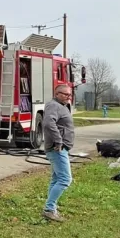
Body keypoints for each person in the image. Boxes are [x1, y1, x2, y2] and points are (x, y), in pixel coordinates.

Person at [42, 83, 75, 221]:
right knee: (65, 179)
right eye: (65, 94)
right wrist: (59, 141)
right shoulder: (53, 105)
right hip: (57, 148)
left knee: (56, 179)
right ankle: (49, 209)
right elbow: (49, 123)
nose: (68, 97)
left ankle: (51, 208)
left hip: (60, 148)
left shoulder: (61, 106)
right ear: (57, 94)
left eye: (70, 94)